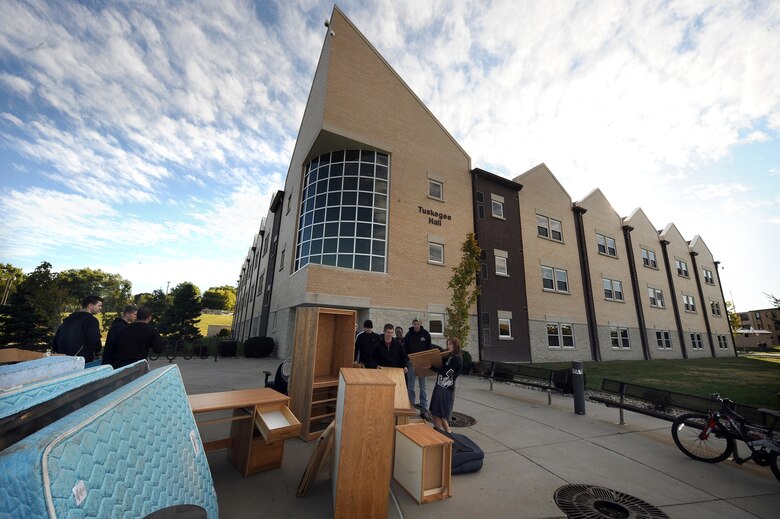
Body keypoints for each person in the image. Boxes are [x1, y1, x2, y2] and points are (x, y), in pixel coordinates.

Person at [427, 337, 463, 433]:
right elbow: (441, 365)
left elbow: (447, 373)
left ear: (456, 346)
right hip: (439, 386)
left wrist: (432, 367)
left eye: (451, 344)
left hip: (446, 389)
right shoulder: (449, 356)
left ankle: (444, 434)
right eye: (448, 344)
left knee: (441, 414)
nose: (448, 346)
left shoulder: (457, 360)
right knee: (435, 412)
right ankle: (439, 432)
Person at [52, 295, 104, 362]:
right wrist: (97, 350)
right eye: (99, 305)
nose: (100, 308)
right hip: (81, 361)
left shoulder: (68, 319)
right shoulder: (91, 320)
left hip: (64, 360)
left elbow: (56, 342)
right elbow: (94, 341)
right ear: (90, 305)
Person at [405, 318, 432, 412]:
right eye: (415, 324)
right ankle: (410, 405)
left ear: (420, 324)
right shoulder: (408, 335)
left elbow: (429, 349)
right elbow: (405, 349)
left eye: (418, 324)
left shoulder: (426, 334)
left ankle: (424, 407)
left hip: (422, 363)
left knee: (423, 387)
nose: (416, 325)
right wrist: (407, 360)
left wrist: (428, 361)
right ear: (412, 324)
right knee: (411, 386)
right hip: (411, 363)